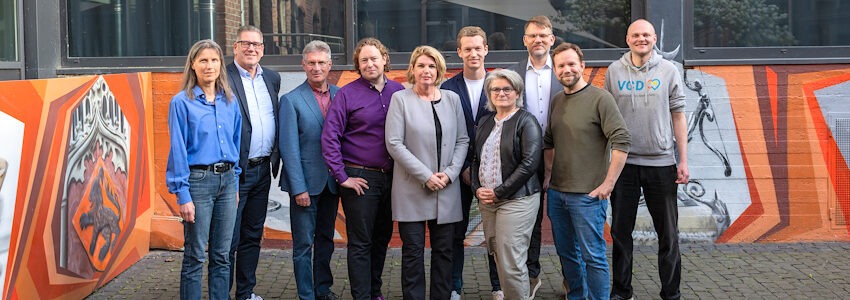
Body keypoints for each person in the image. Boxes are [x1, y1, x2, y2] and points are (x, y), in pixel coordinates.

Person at [604, 19, 689, 300]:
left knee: (668, 234)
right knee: (620, 233)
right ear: (627, 39)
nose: (641, 39)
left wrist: (683, 160)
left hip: (661, 164)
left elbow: (678, 116)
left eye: (646, 35)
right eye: (636, 35)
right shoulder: (614, 71)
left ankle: (671, 293)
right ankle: (622, 291)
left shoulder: (669, 70)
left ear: (654, 39)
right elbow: (607, 118)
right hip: (624, 165)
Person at [545, 43, 631, 300]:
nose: (567, 69)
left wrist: (609, 184)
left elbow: (622, 141)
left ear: (582, 65)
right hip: (557, 194)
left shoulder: (600, 99)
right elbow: (549, 141)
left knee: (593, 256)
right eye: (561, 65)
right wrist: (548, 177)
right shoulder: (557, 100)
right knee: (567, 254)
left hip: (588, 196)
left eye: (572, 64)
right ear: (555, 70)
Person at [321, 37, 404, 300]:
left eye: (374, 58)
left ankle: (375, 292)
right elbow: (330, 137)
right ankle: (362, 296)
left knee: (381, 239)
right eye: (364, 60)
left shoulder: (399, 92)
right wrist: (342, 176)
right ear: (358, 64)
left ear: (384, 59)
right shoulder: (347, 94)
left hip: (393, 178)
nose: (369, 64)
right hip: (360, 178)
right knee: (360, 243)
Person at [385, 45, 469, 300]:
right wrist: (426, 176)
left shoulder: (452, 99)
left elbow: (463, 140)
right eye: (421, 65)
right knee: (413, 251)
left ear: (439, 70)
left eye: (431, 66)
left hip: (447, 188)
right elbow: (394, 143)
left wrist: (450, 174)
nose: (426, 70)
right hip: (411, 188)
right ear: (412, 69)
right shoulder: (400, 99)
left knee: (444, 251)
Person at [166, 39, 241, 300]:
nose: (209, 66)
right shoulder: (181, 103)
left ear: (221, 65)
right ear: (193, 65)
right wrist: (183, 195)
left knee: (222, 255)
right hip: (198, 183)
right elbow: (177, 150)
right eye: (203, 61)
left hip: (228, 182)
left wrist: (235, 183)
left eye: (214, 60)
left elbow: (236, 143)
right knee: (196, 255)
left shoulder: (230, 101)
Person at [470, 69, 542, 300]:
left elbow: (529, 164)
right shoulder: (485, 122)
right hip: (488, 202)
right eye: (495, 89)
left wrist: (499, 192)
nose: (501, 93)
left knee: (511, 260)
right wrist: (476, 189)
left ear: (517, 92)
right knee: (498, 256)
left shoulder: (526, 121)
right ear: (489, 94)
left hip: (517, 200)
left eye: (506, 89)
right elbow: (476, 160)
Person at [278, 40, 341, 300]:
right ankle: (306, 295)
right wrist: (298, 188)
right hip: (305, 185)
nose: (317, 68)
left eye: (321, 63)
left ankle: (322, 289)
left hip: (332, 183)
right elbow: (289, 148)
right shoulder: (290, 100)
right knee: (304, 245)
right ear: (303, 65)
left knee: (326, 239)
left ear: (330, 65)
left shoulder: (340, 95)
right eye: (311, 63)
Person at [505, 15, 561, 299]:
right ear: (525, 40)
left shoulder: (563, 70)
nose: (538, 40)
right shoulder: (513, 73)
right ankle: (532, 274)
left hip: (562, 155)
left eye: (543, 35)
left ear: (551, 39)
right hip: (525, 157)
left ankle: (571, 278)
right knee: (530, 220)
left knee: (565, 219)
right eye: (532, 36)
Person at [226, 25, 282, 300]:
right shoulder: (223, 77)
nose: (251, 48)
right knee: (228, 239)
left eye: (256, 44)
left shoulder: (271, 78)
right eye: (245, 43)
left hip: (262, 171)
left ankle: (245, 293)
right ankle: (221, 294)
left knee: (252, 235)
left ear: (263, 49)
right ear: (235, 47)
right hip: (235, 172)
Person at [439, 26, 491, 300]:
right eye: (467, 49)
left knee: (494, 234)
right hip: (457, 171)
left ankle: (498, 286)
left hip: (492, 172)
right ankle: (454, 287)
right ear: (459, 52)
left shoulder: (499, 84)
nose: (473, 53)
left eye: (477, 48)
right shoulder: (447, 88)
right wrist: (461, 168)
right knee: (454, 233)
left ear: (486, 50)